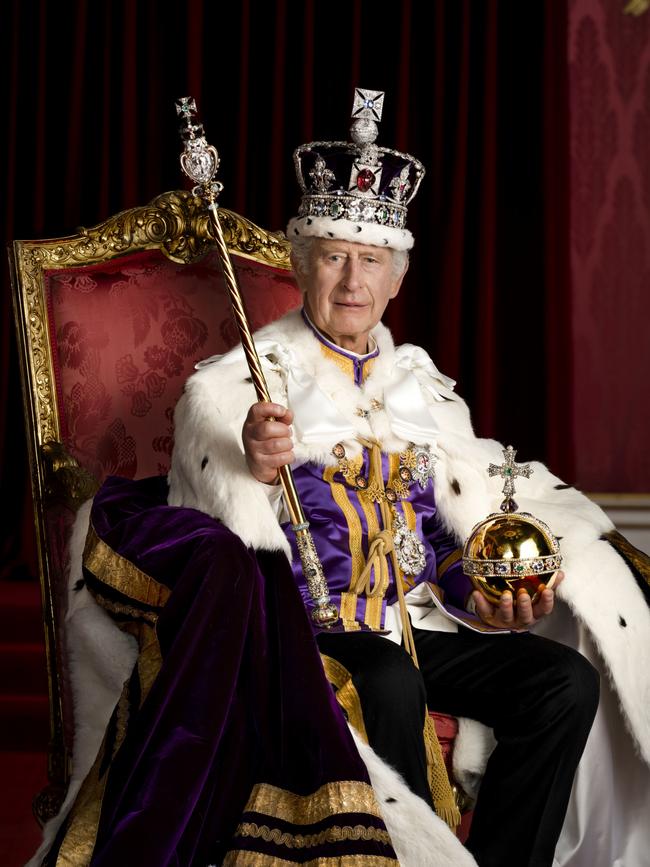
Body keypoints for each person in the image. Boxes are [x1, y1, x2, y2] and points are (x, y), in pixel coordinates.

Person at [31, 89, 650, 867]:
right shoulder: (235, 387)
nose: (352, 280)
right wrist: (246, 460)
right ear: (301, 264)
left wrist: (485, 601)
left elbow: (440, 545)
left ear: (396, 278)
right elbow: (206, 523)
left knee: (560, 682)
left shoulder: (422, 392)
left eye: (371, 261)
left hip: (409, 627)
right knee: (388, 679)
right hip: (303, 633)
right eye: (334, 256)